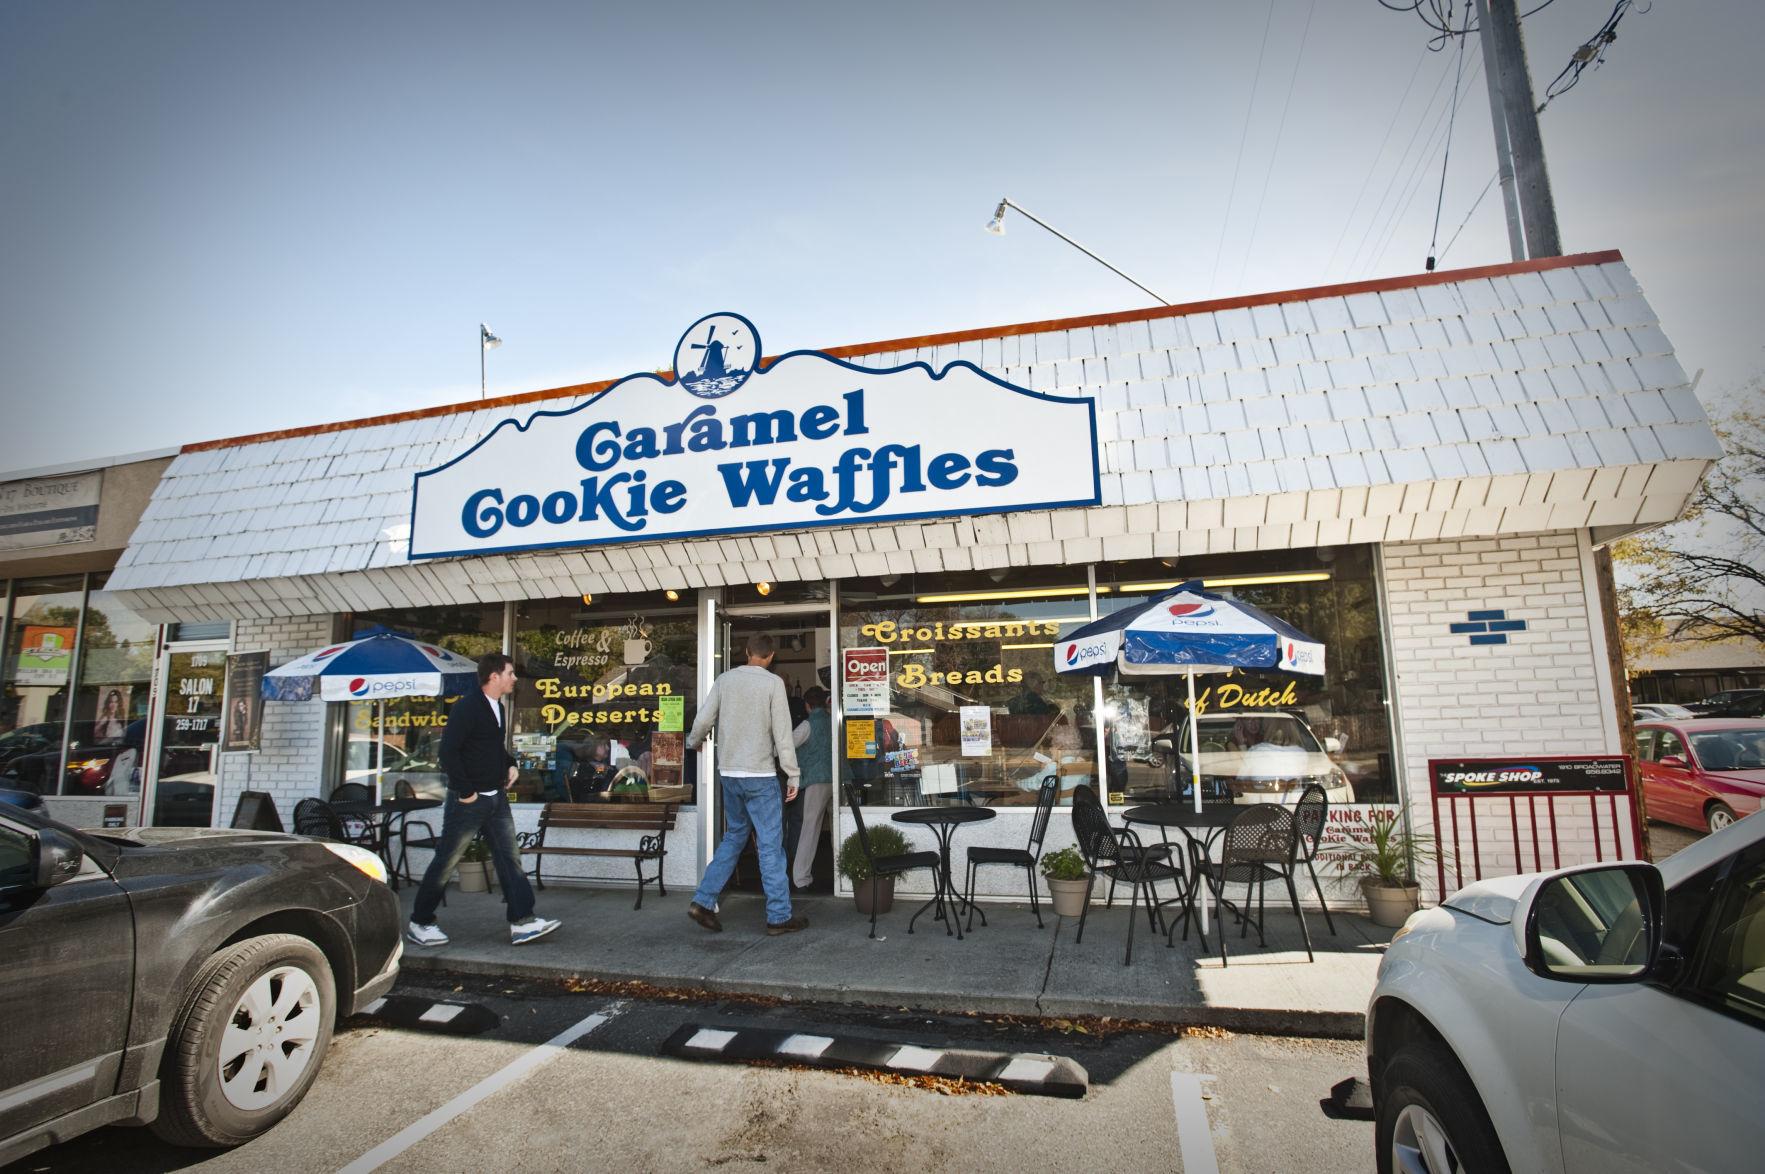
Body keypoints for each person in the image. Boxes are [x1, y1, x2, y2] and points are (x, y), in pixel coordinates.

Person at [407, 653, 560, 948]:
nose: (515, 679)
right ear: (494, 676)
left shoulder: (497, 708)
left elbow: (490, 747)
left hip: (495, 798)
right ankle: (421, 921)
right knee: (447, 860)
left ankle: (522, 922)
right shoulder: (467, 708)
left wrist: (510, 762)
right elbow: (448, 753)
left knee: (509, 858)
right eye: (511, 673)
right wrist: (466, 793)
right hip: (469, 800)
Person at [683, 634, 806, 935]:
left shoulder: (725, 680)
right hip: (761, 776)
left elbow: (702, 720)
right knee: (770, 847)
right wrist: (793, 773)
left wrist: (694, 741)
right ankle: (778, 916)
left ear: (747, 652)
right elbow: (782, 734)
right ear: (771, 656)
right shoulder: (773, 684)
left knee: (735, 836)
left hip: (730, 774)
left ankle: (702, 900)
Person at [789, 686, 833, 890]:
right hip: (840, 778)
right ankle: (843, 875)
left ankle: (801, 877)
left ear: (807, 705)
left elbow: (786, 746)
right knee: (839, 828)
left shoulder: (807, 725)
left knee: (810, 828)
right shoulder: (834, 721)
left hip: (816, 780)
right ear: (825, 703)